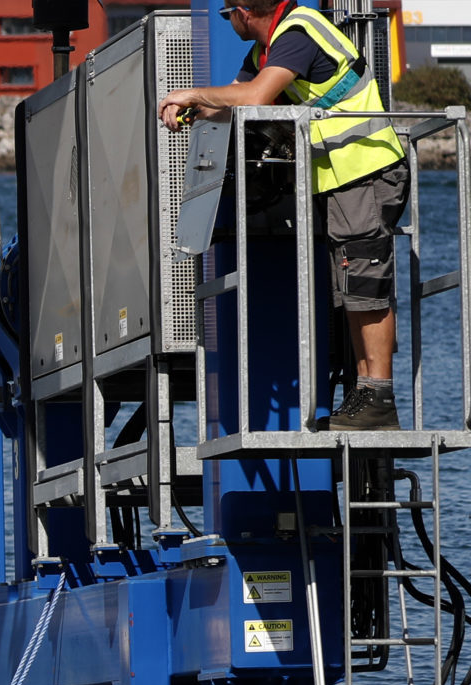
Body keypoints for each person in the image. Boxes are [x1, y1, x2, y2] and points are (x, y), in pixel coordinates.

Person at [159, 0, 407, 430]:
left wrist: (193, 92)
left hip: (366, 168)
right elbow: (234, 101)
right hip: (344, 178)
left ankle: (378, 397)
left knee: (366, 283)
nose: (227, 21)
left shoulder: (295, 34)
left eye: (225, 14)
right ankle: (366, 395)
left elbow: (254, 97)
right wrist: (193, 108)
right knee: (352, 286)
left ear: (243, 11)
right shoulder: (267, 50)